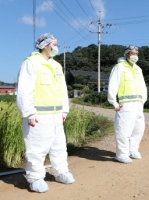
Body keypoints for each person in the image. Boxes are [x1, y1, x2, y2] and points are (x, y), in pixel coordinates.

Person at [16, 33, 75, 193]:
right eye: (53, 44)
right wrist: (28, 112)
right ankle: (35, 178)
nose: (56, 47)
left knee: (59, 146)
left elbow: (62, 90)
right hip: (38, 116)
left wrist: (64, 109)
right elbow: (24, 89)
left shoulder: (57, 66)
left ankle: (61, 171)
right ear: (44, 45)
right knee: (36, 148)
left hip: (56, 115)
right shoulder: (31, 63)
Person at [108, 45, 147, 164]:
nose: (135, 56)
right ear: (126, 55)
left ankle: (133, 150)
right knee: (123, 130)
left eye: (136, 53)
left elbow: (143, 86)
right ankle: (121, 154)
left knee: (138, 129)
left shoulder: (138, 69)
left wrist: (142, 101)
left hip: (138, 104)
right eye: (132, 53)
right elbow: (113, 84)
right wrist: (113, 101)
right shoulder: (119, 67)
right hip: (126, 104)